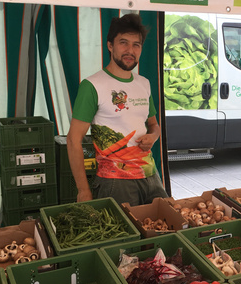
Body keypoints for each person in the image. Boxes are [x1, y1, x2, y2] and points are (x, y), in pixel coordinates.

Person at [67, 13, 168, 206]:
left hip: (150, 175)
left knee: (165, 221)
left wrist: (153, 137)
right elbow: (73, 140)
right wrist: (83, 190)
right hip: (115, 180)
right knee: (126, 227)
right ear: (110, 46)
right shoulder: (92, 85)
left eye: (136, 45)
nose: (130, 50)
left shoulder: (144, 83)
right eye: (123, 43)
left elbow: (154, 125)